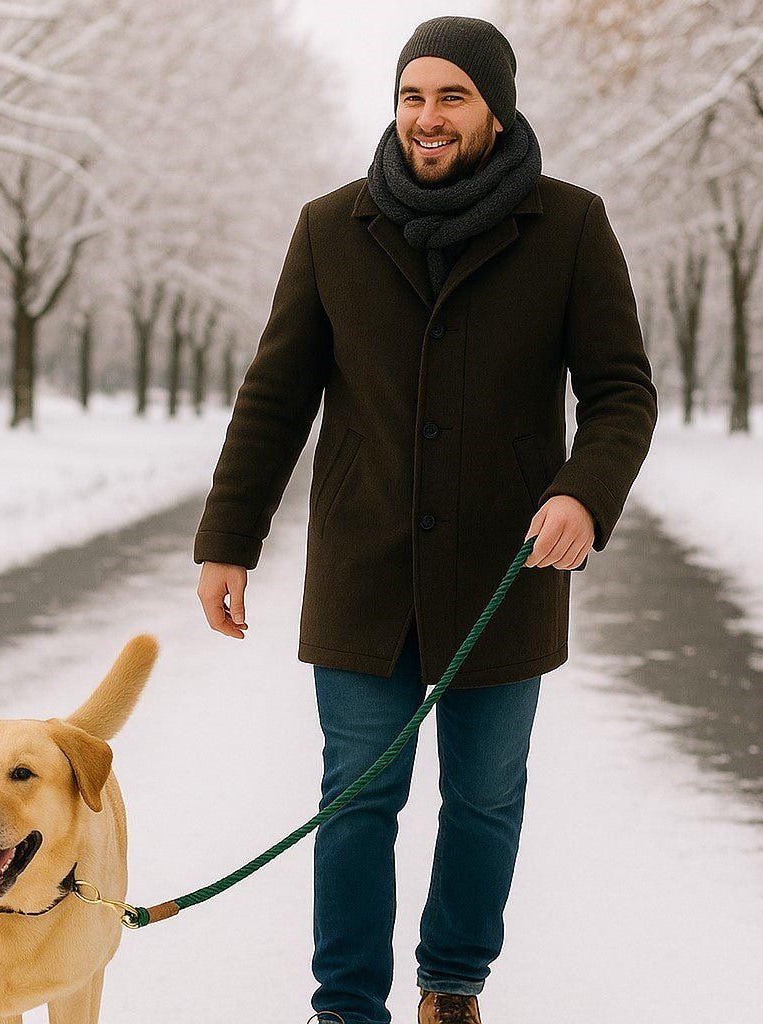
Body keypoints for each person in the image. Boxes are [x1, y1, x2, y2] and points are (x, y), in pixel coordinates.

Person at [194, 15, 658, 1024]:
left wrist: (584, 489)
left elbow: (621, 391)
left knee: (484, 801)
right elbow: (275, 397)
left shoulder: (569, 225)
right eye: (411, 95)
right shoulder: (331, 226)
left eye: (451, 96)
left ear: (495, 110)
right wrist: (228, 539)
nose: (427, 117)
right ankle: (345, 1006)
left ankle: (452, 983)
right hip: (365, 568)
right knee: (356, 801)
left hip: (507, 568)